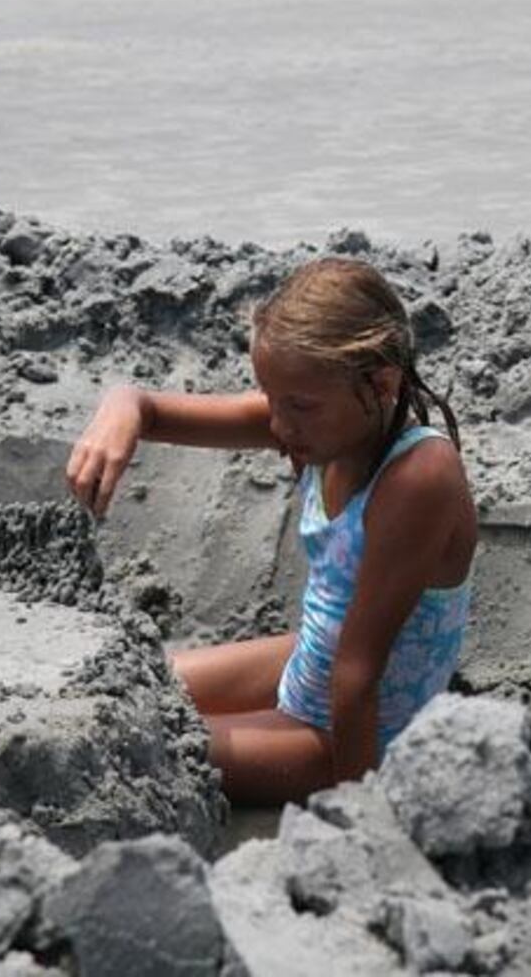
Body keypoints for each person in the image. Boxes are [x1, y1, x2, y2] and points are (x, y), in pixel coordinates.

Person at [67, 257, 478, 805]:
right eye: (270, 398)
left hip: (350, 737)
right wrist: (122, 407)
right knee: (119, 678)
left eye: (299, 406)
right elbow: (149, 409)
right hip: (310, 662)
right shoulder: (324, 423)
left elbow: (357, 678)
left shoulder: (419, 477)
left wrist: (357, 818)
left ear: (381, 384)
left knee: (126, 739)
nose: (279, 426)